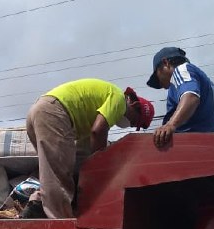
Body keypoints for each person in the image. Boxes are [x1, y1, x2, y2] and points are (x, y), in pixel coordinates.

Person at [24, 78, 154, 219]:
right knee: (59, 175)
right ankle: (61, 223)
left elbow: (83, 157)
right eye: (134, 121)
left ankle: (36, 205)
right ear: (133, 105)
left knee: (54, 171)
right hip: (54, 112)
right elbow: (98, 131)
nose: (130, 125)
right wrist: (100, 169)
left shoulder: (90, 114)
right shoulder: (119, 100)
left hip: (39, 111)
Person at [146, 46, 214, 147]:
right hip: (210, 146)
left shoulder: (181, 70)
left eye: (157, 75)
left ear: (166, 63)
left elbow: (191, 97)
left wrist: (170, 125)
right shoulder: (211, 86)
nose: (162, 85)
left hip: (189, 146)